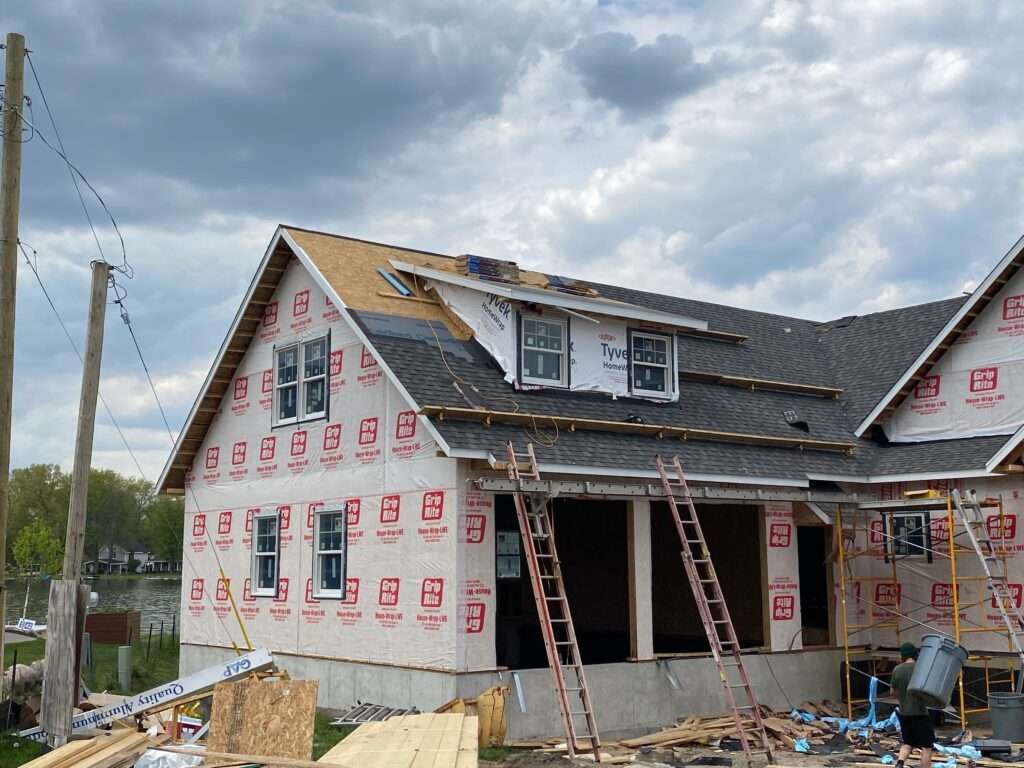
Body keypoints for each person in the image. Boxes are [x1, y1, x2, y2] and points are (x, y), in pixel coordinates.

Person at [891, 642, 933, 768]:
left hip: (904, 713)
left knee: (907, 743)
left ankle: (900, 763)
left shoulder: (897, 670)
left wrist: (903, 696)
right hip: (921, 713)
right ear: (915, 654)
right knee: (926, 747)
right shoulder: (921, 668)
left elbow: (893, 693)